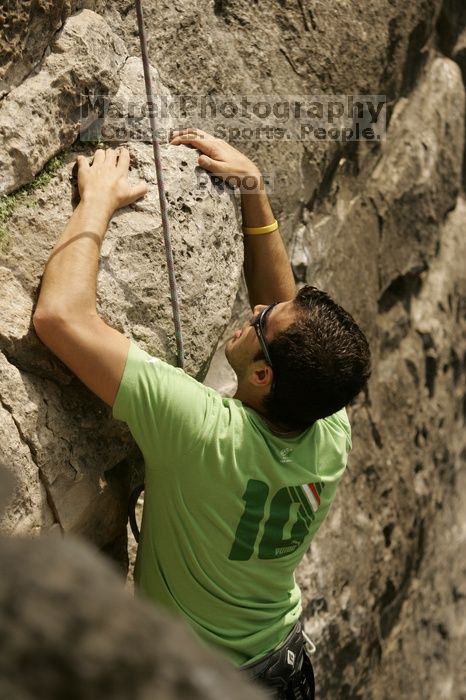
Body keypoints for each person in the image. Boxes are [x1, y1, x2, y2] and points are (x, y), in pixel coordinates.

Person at [33, 128, 371, 699]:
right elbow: (285, 326)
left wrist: (97, 201)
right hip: (280, 672)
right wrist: (252, 191)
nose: (256, 306)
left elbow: (60, 318)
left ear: (263, 377)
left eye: (261, 320)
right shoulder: (328, 427)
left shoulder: (201, 430)